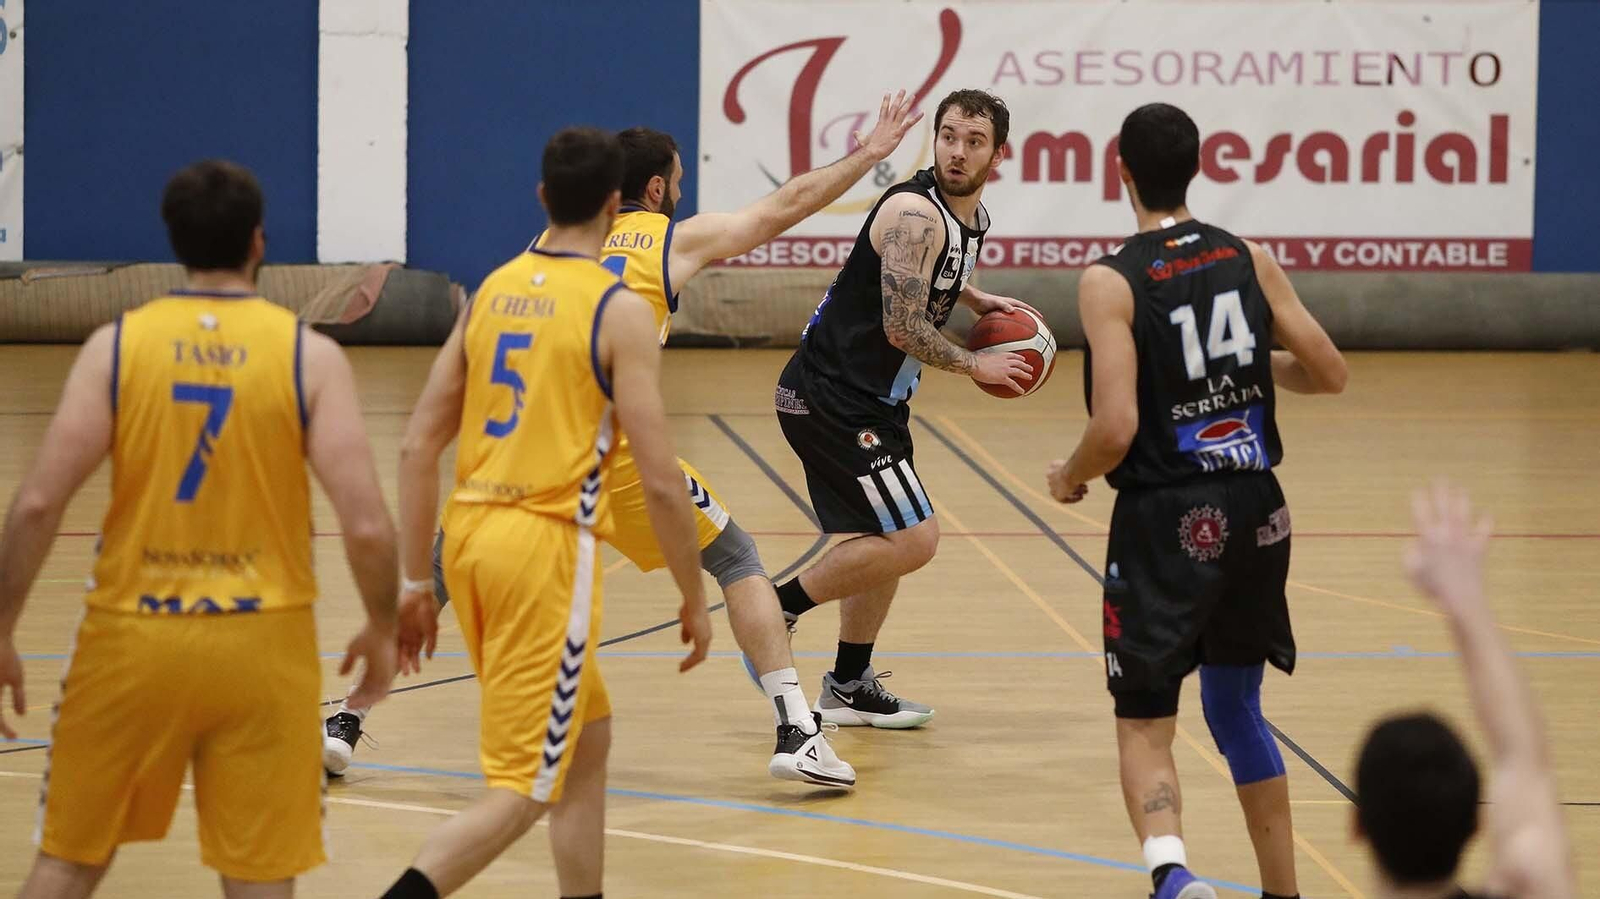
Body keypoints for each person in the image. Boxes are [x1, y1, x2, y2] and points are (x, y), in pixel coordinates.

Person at [329, 91, 924, 787]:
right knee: (735, 557)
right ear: (654, 188)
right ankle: (797, 726)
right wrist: (869, 153)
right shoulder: (668, 241)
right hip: (606, 464)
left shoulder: (519, 264)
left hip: (501, 468)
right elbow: (784, 205)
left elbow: (422, 437)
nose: (680, 193)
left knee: (433, 575)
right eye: (677, 182)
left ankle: (345, 717)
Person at [0, 159, 401, 899]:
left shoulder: (116, 347)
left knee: (65, 866)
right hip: (262, 644)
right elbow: (368, 523)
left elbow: (34, 505)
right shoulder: (305, 355)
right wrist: (381, 626)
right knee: (258, 880)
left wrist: (1, 627)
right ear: (259, 241)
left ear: (174, 243)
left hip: (131, 639)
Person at [375, 127, 712, 899]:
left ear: (541, 198)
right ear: (611, 204)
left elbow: (417, 445)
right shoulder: (617, 309)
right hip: (546, 555)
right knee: (524, 789)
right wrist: (693, 596)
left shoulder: (490, 289)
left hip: (466, 541)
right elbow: (660, 481)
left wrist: (413, 584)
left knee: (586, 738)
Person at [1046, 102, 1347, 899]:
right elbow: (1329, 370)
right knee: (1236, 705)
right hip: (1258, 509)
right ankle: (1282, 891)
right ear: (1198, 166)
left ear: (1122, 170)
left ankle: (1175, 879)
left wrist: (1070, 473)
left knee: (1146, 720)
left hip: (1169, 517)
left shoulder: (1110, 279)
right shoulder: (1248, 255)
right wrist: (1253, 375)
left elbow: (1115, 427)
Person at [771, 88, 1034, 728]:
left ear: (999, 154)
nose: (957, 151)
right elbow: (902, 327)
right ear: (934, 140)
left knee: (885, 537)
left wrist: (970, 298)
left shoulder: (970, 218)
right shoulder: (917, 212)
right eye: (948, 136)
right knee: (915, 539)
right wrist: (978, 364)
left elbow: (934, 271)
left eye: (974, 142)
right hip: (832, 398)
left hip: (873, 402)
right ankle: (777, 603)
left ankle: (850, 683)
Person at [1353, 482, 1575, 899]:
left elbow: (1524, 761)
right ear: (1476, 824)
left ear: (1356, 825)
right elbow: (1523, 760)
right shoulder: (1534, 881)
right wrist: (1465, 599)